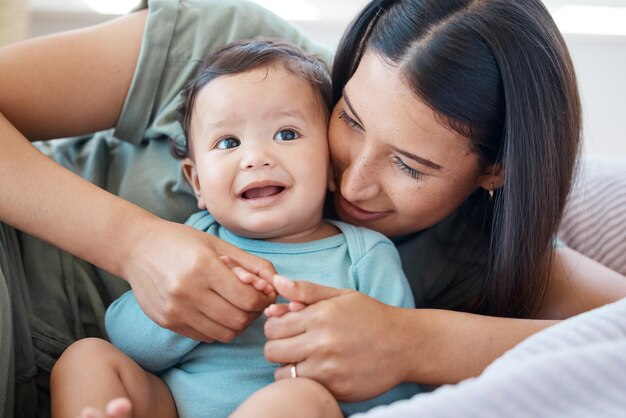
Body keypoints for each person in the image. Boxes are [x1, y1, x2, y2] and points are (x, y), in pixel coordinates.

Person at [1, 0, 625, 417]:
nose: (352, 182)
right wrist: (132, 242)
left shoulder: (477, 255)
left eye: (410, 166)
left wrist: (418, 341)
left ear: (496, 169)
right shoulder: (241, 66)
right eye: (348, 120)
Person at [50, 39, 418, 418]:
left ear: (330, 166)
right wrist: (195, 311)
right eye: (228, 142)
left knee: (297, 399)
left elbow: (398, 384)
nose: (256, 158)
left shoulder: (363, 256)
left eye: (287, 134)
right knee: (87, 357)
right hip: (175, 407)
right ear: (196, 183)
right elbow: (129, 343)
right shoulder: (195, 240)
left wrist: (322, 359)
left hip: (298, 406)